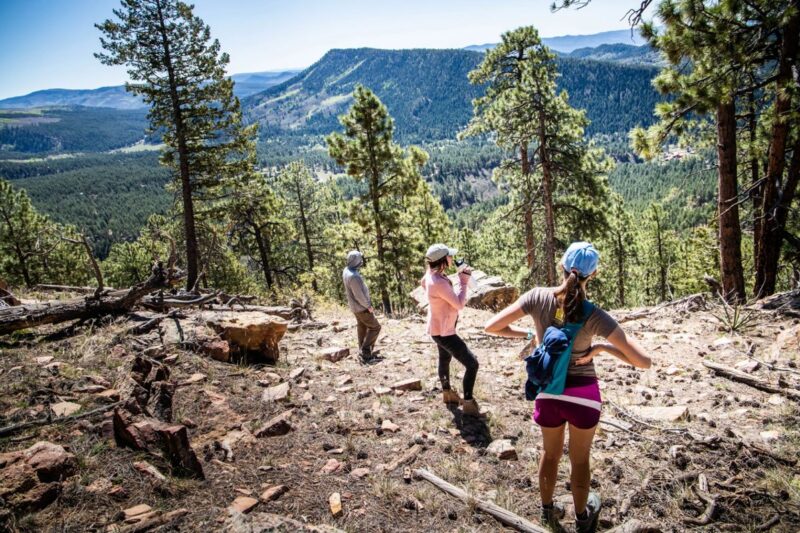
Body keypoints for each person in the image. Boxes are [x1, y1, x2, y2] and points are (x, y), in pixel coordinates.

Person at [484, 242, 652, 533]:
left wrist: (533, 336)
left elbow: (492, 326)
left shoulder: (537, 297)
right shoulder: (594, 314)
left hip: (548, 392)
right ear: (594, 274)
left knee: (549, 455)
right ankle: (582, 519)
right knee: (580, 460)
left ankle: (547, 514)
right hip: (584, 396)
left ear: (562, 266)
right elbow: (644, 361)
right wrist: (601, 348)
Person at [421, 243, 482, 416]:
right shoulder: (438, 282)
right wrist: (463, 281)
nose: (452, 259)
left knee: (444, 358)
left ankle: (447, 393)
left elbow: (423, 282)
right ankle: (469, 403)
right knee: (472, 364)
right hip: (445, 332)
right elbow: (459, 303)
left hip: (436, 328)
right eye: (449, 256)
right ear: (442, 260)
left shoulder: (431, 275)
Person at [342, 250, 381, 363]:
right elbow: (359, 295)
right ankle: (365, 351)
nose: (361, 261)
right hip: (361, 307)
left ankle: (362, 350)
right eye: (360, 259)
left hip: (355, 307)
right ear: (356, 261)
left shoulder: (346, 270)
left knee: (362, 326)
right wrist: (368, 306)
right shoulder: (354, 276)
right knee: (375, 327)